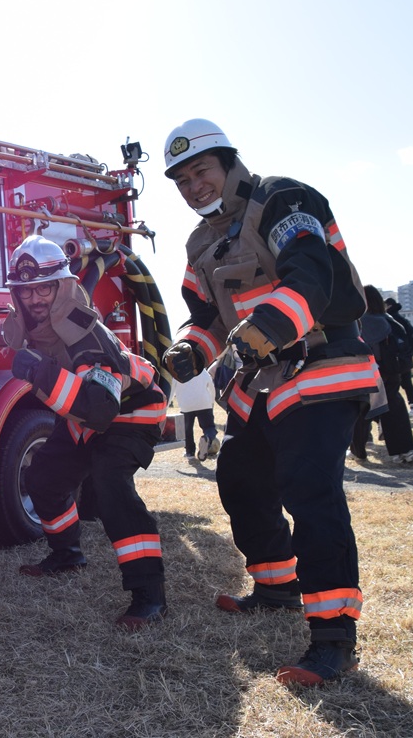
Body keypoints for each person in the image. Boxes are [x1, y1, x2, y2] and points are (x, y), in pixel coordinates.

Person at [162, 118, 383, 686]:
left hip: (320, 366)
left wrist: (268, 327)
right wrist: (191, 348)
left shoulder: (283, 198)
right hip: (260, 380)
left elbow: (312, 272)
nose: (193, 186)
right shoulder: (199, 243)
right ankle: (277, 586)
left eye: (201, 171)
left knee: (311, 494)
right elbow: (206, 316)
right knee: (239, 479)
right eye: (182, 181)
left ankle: (334, 638)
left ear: (229, 163)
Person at [2, 234, 169, 630]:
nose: (34, 298)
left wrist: (38, 371)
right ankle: (67, 555)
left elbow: (100, 409)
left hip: (132, 410)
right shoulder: (38, 327)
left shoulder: (87, 334)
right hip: (83, 415)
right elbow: (81, 404)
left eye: (44, 288)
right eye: (25, 291)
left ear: (63, 287)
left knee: (111, 486)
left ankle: (150, 595)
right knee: (44, 478)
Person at [349, 286, 413, 463]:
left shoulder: (357, 322)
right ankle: (405, 450)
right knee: (394, 409)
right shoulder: (391, 321)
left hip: (366, 373)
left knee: (360, 412)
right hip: (391, 372)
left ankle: (358, 451)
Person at [384, 297, 413, 419]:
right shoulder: (401, 319)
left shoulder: (389, 319)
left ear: (388, 306)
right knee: (407, 382)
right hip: (406, 355)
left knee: (393, 384)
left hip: (395, 357)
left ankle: (395, 411)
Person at [175, 364, 219, 461]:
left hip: (186, 404)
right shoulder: (201, 370)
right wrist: (211, 402)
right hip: (204, 403)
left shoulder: (177, 371)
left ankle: (189, 452)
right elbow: (211, 385)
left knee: (187, 430)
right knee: (209, 427)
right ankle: (208, 438)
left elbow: (172, 387)